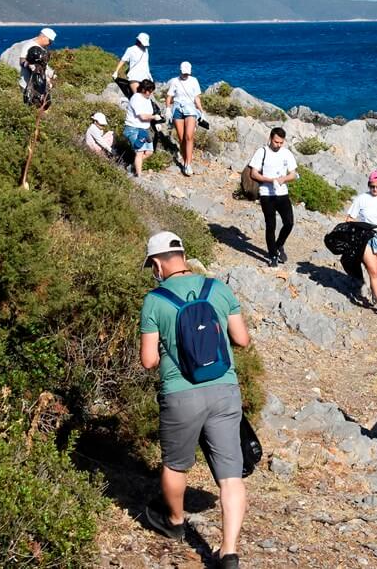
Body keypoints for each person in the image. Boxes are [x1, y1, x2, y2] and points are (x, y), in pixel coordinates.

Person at [139, 231, 250, 569]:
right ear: (183, 256)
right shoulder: (217, 288)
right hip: (224, 389)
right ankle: (228, 551)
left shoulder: (155, 301)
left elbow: (148, 361)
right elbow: (242, 339)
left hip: (180, 394)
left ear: (157, 263)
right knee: (231, 475)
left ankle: (174, 521)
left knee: (175, 464)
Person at [344, 170, 377, 313]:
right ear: (368, 185)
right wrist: (361, 227)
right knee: (374, 270)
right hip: (365, 238)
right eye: (372, 186)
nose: (374, 189)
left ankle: (375, 288)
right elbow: (349, 218)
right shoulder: (361, 199)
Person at [247, 128, 298, 267]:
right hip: (266, 193)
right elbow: (253, 173)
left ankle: (279, 245)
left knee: (289, 223)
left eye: (281, 142)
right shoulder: (261, 152)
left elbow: (293, 174)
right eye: (276, 142)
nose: (278, 145)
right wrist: (269, 180)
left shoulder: (286, 153)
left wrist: (283, 179)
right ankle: (273, 255)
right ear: (270, 138)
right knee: (271, 226)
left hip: (282, 193)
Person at [165, 61, 205, 177]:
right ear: (180, 71)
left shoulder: (194, 81)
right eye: (184, 73)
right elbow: (169, 96)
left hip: (190, 110)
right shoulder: (175, 81)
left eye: (187, 73)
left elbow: (196, 98)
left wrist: (201, 111)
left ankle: (188, 164)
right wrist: (168, 109)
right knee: (182, 138)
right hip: (177, 109)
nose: (185, 75)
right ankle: (185, 159)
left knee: (189, 136)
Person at [124, 79, 160, 177]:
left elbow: (149, 114)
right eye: (149, 91)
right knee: (139, 152)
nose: (150, 93)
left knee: (149, 152)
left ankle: (133, 165)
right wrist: (154, 117)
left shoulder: (147, 99)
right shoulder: (136, 98)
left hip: (145, 129)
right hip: (134, 128)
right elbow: (142, 116)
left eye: (152, 91)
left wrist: (156, 121)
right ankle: (139, 176)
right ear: (143, 89)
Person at [18, 27, 56, 106]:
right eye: (50, 41)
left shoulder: (43, 47)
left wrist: (50, 73)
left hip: (41, 82)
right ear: (43, 37)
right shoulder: (30, 45)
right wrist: (30, 66)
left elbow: (43, 64)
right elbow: (22, 61)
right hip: (28, 83)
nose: (50, 43)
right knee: (31, 106)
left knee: (44, 104)